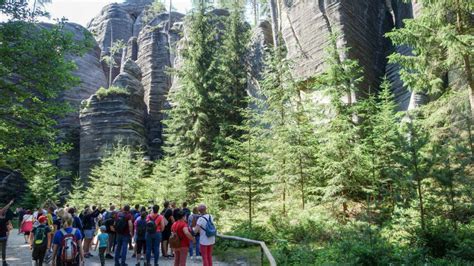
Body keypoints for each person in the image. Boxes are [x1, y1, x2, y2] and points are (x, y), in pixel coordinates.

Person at [0, 200, 14, 266]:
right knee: (3, 250)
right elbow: (4, 210)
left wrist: (9, 204)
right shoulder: (4, 219)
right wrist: (9, 203)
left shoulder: (4, 219)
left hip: (3, 236)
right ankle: (4, 262)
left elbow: (4, 209)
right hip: (3, 237)